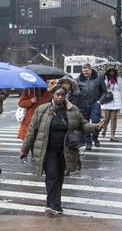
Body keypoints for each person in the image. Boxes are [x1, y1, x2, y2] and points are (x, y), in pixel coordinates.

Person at [20, 85, 104, 216]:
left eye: (62, 95)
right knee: (52, 175)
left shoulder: (73, 110)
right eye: (57, 94)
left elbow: (83, 124)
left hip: (65, 150)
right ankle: (52, 204)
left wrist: (96, 127)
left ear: (65, 96)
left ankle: (56, 203)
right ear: (52, 95)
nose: (60, 97)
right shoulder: (42, 110)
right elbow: (32, 131)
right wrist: (24, 149)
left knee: (59, 177)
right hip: (47, 149)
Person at [76, 64, 107, 150]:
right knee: (85, 123)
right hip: (83, 105)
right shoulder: (78, 79)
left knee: (96, 121)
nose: (85, 73)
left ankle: (95, 137)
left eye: (86, 71)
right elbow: (75, 92)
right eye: (83, 71)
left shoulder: (98, 78)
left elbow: (104, 92)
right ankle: (88, 142)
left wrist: (100, 101)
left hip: (95, 104)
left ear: (91, 70)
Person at [100, 66, 122, 142]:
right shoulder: (104, 79)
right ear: (108, 72)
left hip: (116, 100)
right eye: (110, 71)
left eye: (113, 71)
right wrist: (106, 86)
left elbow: (121, 90)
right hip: (107, 100)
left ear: (115, 72)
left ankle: (112, 135)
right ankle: (104, 130)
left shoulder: (119, 79)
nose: (111, 72)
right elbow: (101, 90)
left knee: (114, 119)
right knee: (106, 118)